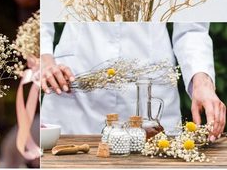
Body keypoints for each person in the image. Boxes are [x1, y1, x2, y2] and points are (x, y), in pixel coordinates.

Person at [41, 23, 226, 141]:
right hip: (76, 89)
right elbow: (38, 5)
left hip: (150, 89)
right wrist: (44, 58)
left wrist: (202, 82)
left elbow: (191, 28)